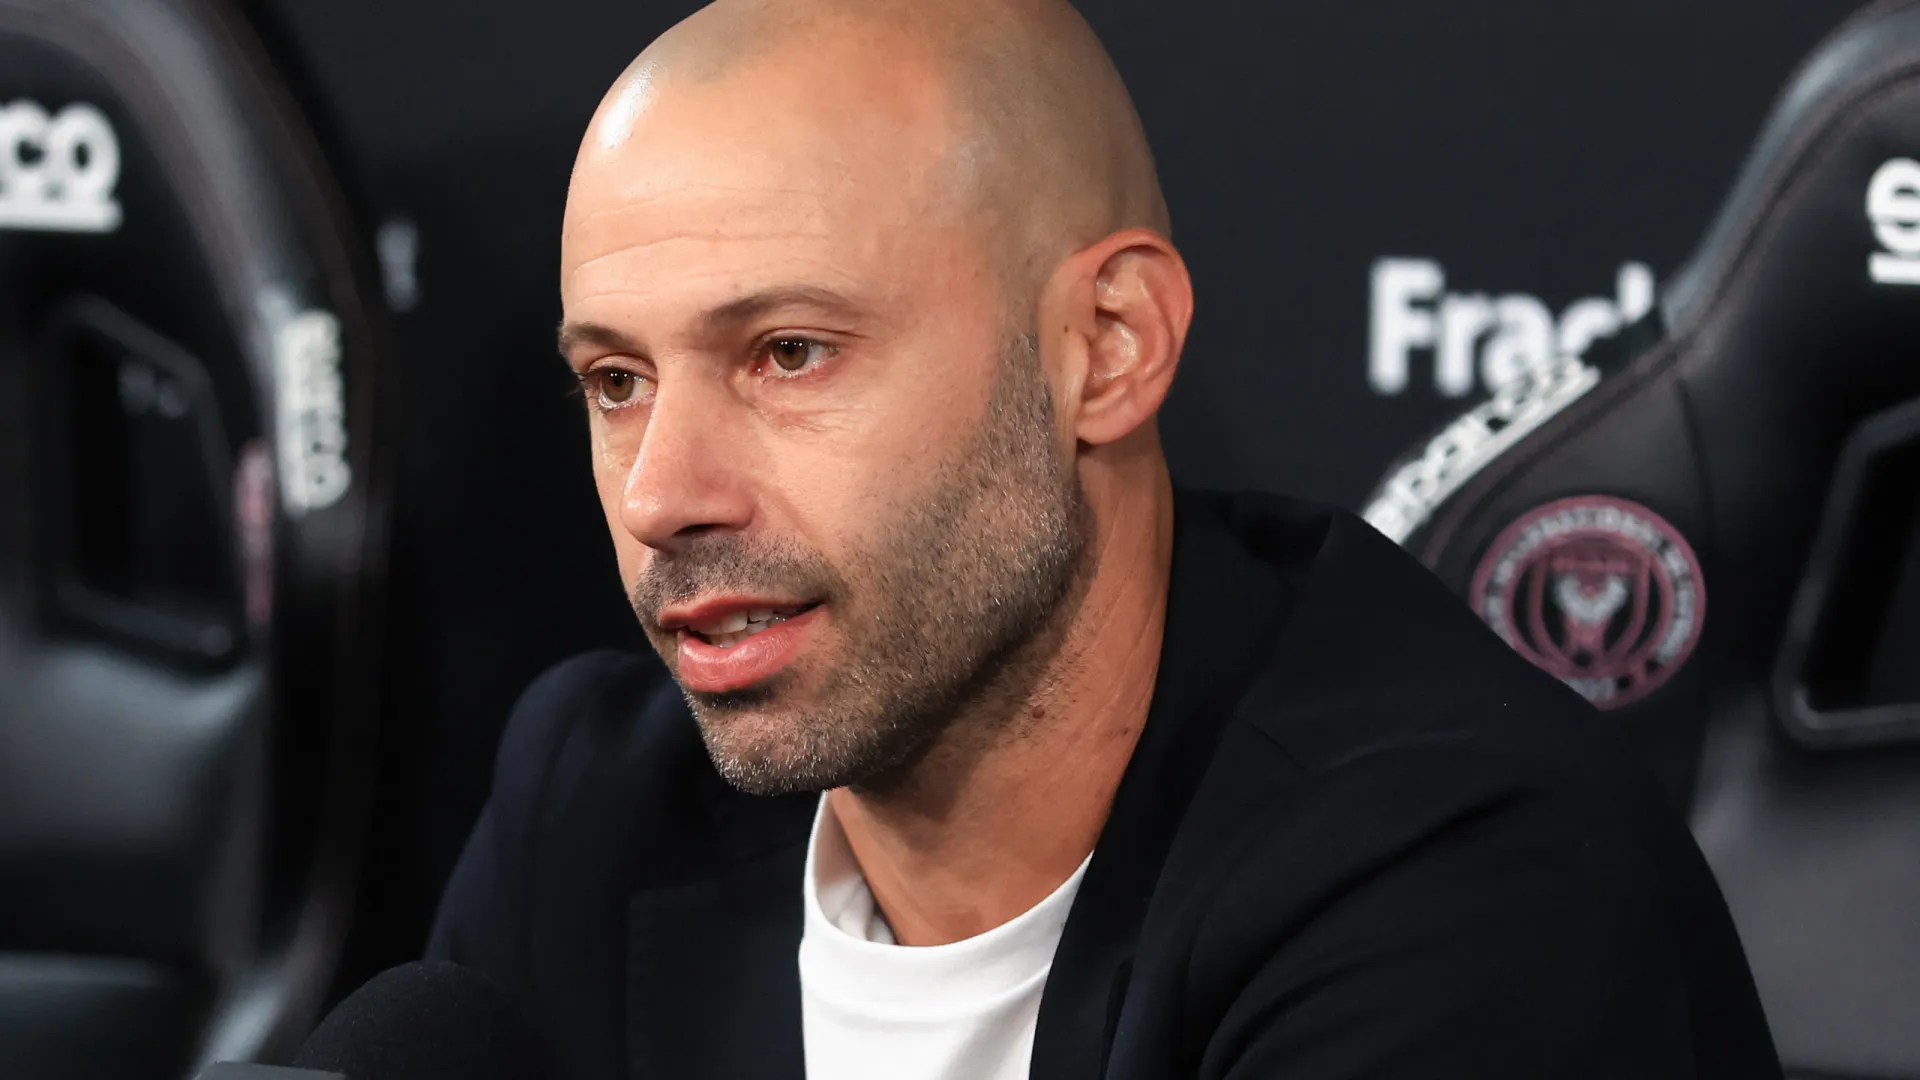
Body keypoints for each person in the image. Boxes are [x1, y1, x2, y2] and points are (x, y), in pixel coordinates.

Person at [427, 1, 1782, 1077]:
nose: (661, 495)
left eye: (789, 353)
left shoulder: (1470, 887)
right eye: (616, 381)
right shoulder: (597, 808)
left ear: (1109, 346)